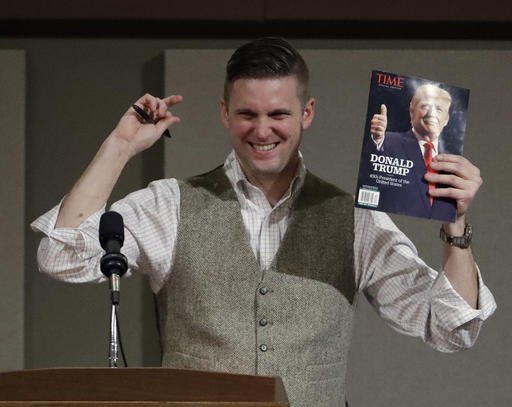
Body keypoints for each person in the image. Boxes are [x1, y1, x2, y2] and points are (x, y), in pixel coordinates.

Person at [32, 38, 496, 407]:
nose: (262, 130)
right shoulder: (170, 205)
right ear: (224, 113)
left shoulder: (355, 220)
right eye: (247, 114)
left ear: (306, 113)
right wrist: (120, 145)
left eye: (278, 114)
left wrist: (455, 223)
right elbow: (62, 256)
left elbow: (448, 326)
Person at [367, 84, 457, 221]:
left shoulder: (453, 164)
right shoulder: (388, 141)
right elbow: (369, 166)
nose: (431, 113)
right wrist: (377, 140)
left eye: (439, 109)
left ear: (446, 119)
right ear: (412, 110)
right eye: (425, 106)